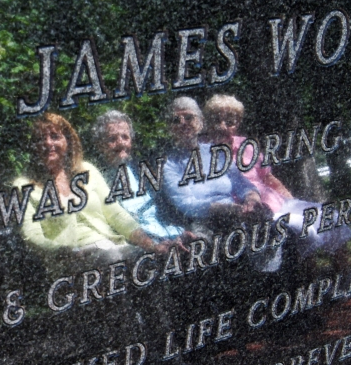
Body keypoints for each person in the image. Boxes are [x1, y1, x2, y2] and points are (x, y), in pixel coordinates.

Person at [203, 94, 351, 265]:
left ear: (237, 123)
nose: (223, 126)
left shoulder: (247, 145)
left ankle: (343, 275)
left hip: (278, 202)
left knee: (330, 217)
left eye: (229, 121)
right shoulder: (204, 155)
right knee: (301, 228)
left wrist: (292, 201)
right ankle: (310, 283)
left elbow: (267, 177)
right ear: (208, 122)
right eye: (217, 120)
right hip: (255, 213)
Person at [16, 113, 169, 264]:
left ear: (68, 141)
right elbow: (32, 235)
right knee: (113, 260)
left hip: (113, 247)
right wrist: (64, 252)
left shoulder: (87, 170)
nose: (48, 143)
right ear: (33, 146)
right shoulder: (23, 186)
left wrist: (152, 245)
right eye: (40, 139)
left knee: (151, 258)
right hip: (71, 259)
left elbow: (116, 214)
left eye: (55, 136)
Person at [160, 97, 280, 271]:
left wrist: (252, 198)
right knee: (208, 239)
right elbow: (185, 204)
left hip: (235, 212)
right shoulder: (169, 164)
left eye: (189, 117)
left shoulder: (216, 153)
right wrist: (221, 208)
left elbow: (242, 184)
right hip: (202, 218)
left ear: (200, 122)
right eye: (175, 120)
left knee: (262, 227)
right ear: (170, 128)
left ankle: (267, 277)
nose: (183, 123)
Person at [92, 110, 187, 244]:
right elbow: (117, 225)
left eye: (125, 137)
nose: (121, 143)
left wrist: (184, 232)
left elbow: (168, 206)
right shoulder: (97, 179)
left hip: (172, 232)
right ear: (99, 145)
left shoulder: (143, 167)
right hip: (139, 243)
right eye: (112, 139)